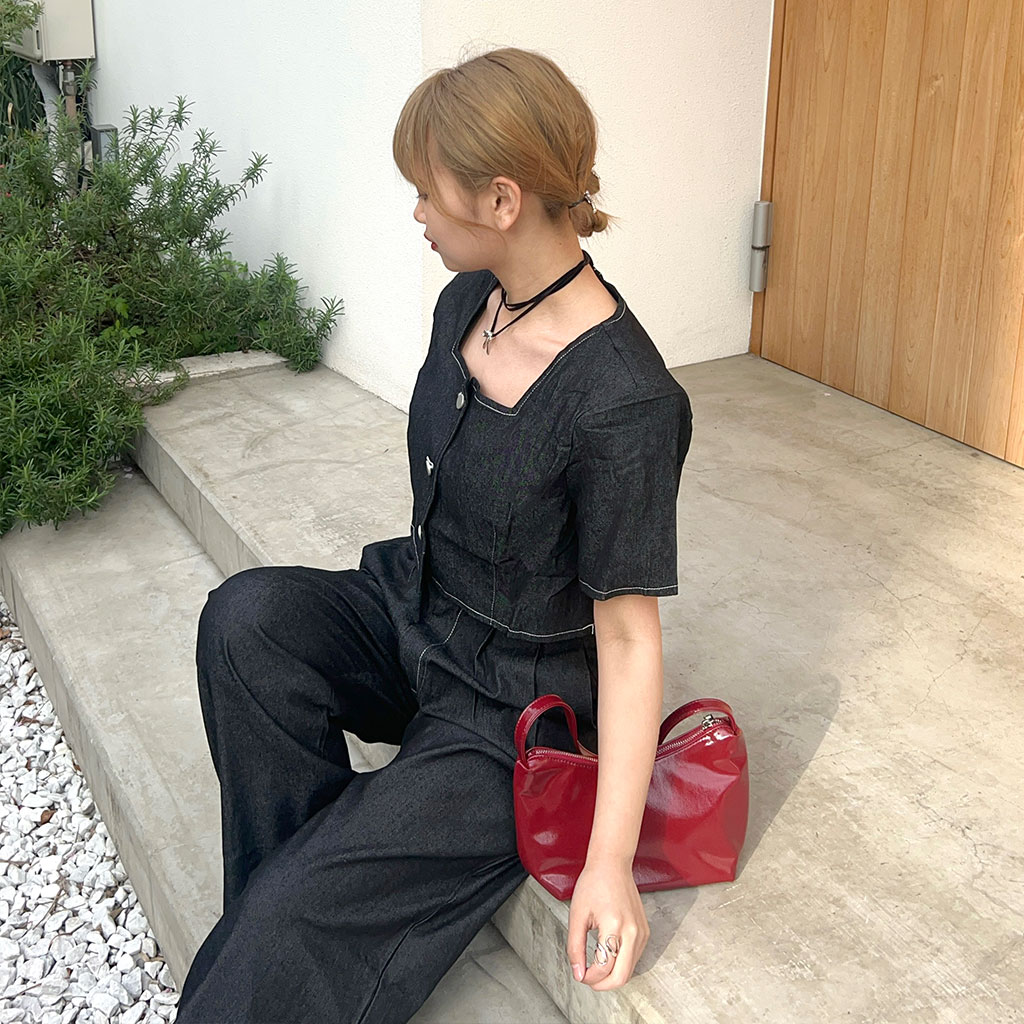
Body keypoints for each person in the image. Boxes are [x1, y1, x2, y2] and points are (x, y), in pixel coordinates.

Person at [173, 44, 693, 1024]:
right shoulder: (467, 302)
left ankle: (290, 925)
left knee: (293, 915)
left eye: (426, 190)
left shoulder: (624, 400)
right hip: (416, 611)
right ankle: (297, 908)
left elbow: (628, 640)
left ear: (501, 200)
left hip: (512, 707)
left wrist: (609, 862)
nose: (415, 211)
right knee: (247, 619)